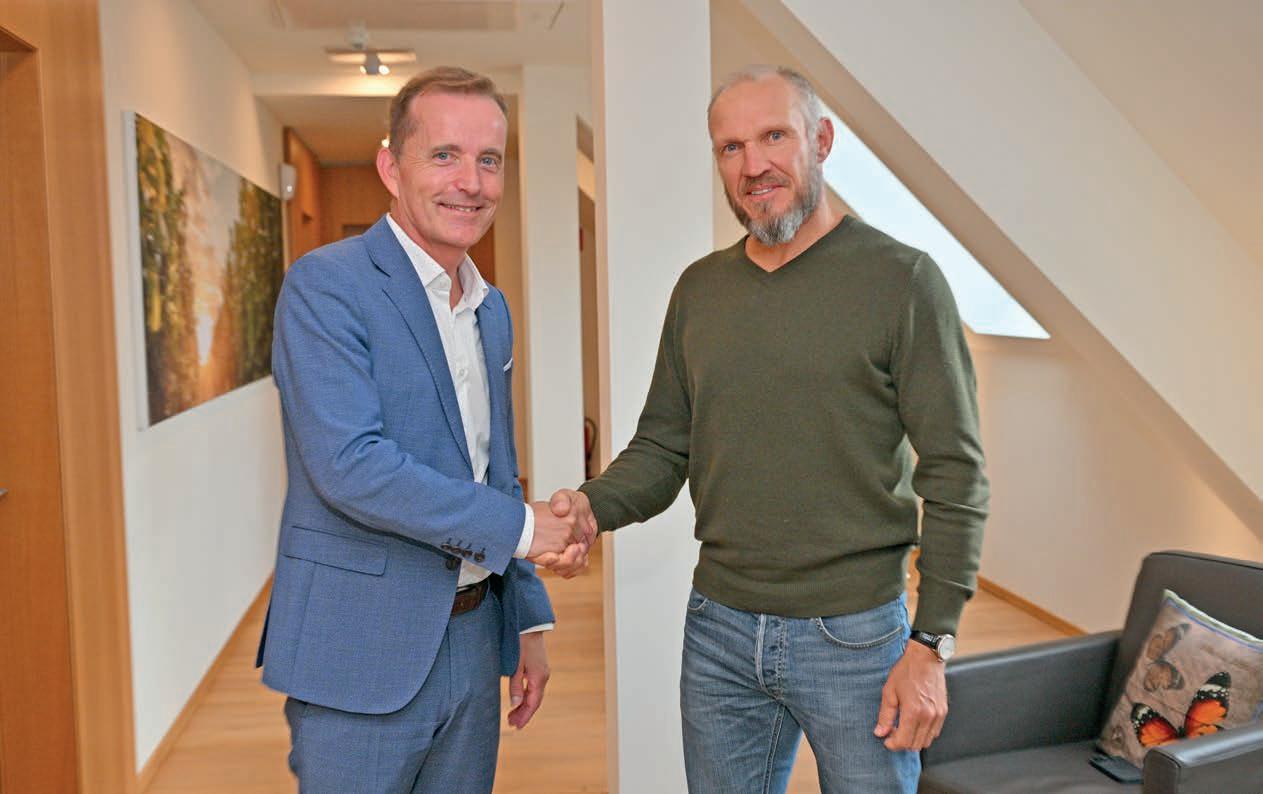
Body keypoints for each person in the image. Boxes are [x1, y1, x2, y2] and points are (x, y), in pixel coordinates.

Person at [552, 65, 989, 793]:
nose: (752, 165)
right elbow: (664, 445)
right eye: (730, 147)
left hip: (856, 635)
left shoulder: (903, 281)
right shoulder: (700, 290)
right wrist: (590, 508)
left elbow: (956, 474)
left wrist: (931, 643)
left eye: (774, 137)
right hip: (718, 627)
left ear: (821, 141)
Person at [256, 66, 594, 793]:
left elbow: (493, 469)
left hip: (473, 640)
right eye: (444, 155)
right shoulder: (326, 285)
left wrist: (527, 621)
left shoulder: (489, 307)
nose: (470, 182)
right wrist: (526, 529)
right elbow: (351, 465)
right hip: (360, 650)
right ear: (391, 167)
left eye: (488, 160)